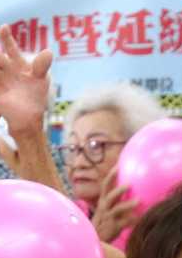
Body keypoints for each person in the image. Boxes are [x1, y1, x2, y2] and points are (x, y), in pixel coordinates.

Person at [60, 82, 167, 233]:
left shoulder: (161, 227)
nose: (79, 163)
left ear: (137, 149)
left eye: (96, 145)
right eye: (73, 148)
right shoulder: (67, 218)